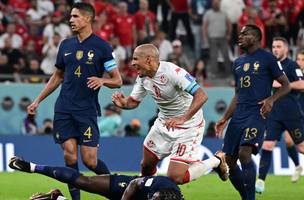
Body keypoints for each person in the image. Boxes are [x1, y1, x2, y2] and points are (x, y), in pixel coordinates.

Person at [26, 3, 122, 200]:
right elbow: (57, 76)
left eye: (76, 16)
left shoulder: (103, 47)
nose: (71, 20)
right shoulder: (65, 45)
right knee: (69, 155)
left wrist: (103, 80)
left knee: (90, 161)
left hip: (86, 110)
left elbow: (118, 80)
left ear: (88, 19)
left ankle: (117, 191)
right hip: (64, 108)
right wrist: (38, 101)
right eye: (70, 16)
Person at [112, 44, 229, 185]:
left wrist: (183, 118)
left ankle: (216, 160)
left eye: (136, 59)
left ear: (148, 59)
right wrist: (123, 104)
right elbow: (133, 102)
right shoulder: (143, 77)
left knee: (176, 177)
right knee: (146, 166)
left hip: (188, 126)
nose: (132, 63)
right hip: (164, 124)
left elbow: (202, 95)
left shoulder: (173, 72)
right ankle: (148, 192)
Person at [215, 25, 291, 200]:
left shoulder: (268, 59)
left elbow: (286, 85)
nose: (240, 36)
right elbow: (237, 94)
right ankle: (245, 196)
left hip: (257, 113)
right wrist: (225, 118)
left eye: (244, 34)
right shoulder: (238, 62)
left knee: (244, 153)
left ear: (256, 37)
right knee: (230, 162)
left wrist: (271, 99)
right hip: (238, 114)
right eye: (239, 34)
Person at [9, 156, 183, 200]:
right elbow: (135, 183)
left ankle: (57, 197)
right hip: (125, 188)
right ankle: (32, 167)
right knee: (84, 181)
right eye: (154, 198)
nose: (153, 199)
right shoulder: (161, 183)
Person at [256, 39, 304, 194]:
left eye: (279, 46)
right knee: (267, 145)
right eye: (273, 46)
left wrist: (283, 84)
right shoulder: (270, 66)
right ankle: (261, 181)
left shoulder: (292, 65)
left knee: (301, 147)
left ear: (286, 49)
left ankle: (297, 166)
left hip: (291, 113)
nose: (275, 49)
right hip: (274, 113)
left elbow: (302, 84)